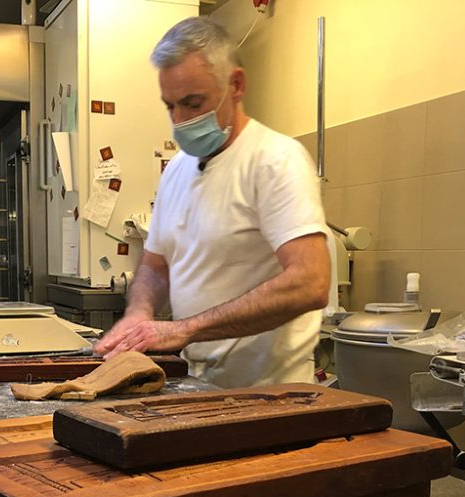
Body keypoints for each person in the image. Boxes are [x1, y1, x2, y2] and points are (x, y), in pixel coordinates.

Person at [92, 17, 332, 388]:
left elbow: (310, 282)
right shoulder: (176, 170)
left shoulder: (275, 160)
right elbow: (156, 266)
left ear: (235, 85)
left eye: (192, 103)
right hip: (196, 386)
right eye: (170, 106)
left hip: (269, 396)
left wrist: (185, 330)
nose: (180, 120)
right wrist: (139, 313)